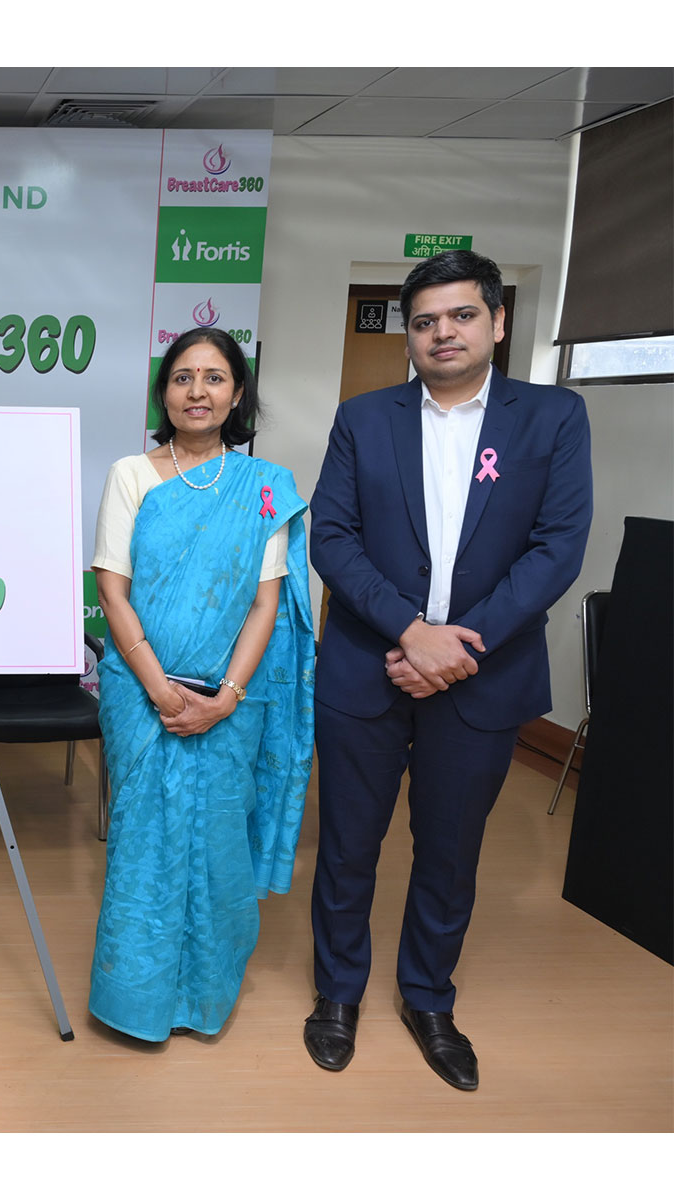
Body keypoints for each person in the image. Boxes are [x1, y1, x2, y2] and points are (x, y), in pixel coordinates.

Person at [304, 250, 592, 1090]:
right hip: (367, 667)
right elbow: (332, 538)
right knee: (348, 846)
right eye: (425, 321)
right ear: (409, 334)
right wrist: (409, 630)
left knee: (450, 850)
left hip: (484, 677)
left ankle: (429, 998)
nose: (443, 334)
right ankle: (338, 994)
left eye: (462, 315)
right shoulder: (363, 419)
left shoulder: (553, 417)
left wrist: (457, 646)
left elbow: (557, 548)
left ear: (497, 322)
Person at [88, 327, 315, 1042]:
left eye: (214, 377)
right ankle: (135, 1000)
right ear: (164, 393)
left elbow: (266, 603)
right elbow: (112, 591)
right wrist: (161, 691)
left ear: (237, 393)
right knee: (143, 846)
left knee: (219, 846)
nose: (197, 391)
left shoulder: (263, 489)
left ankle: (205, 998)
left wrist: (226, 699)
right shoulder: (132, 474)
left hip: (229, 703)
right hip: (141, 696)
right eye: (183, 377)